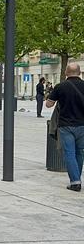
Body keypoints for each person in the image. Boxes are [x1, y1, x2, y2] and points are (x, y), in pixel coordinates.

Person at [46, 63, 84, 192]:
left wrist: (51, 97)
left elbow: (48, 104)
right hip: (82, 125)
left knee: (69, 153)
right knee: (80, 152)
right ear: (79, 73)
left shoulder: (60, 87)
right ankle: (76, 179)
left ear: (66, 73)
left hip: (65, 125)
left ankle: (75, 182)